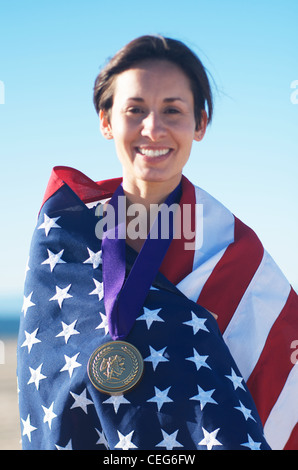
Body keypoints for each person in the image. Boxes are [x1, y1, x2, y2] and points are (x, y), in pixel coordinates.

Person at [17, 35, 297, 451]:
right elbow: (44, 393)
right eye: (135, 110)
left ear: (199, 124)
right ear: (106, 120)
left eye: (172, 109)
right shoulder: (63, 237)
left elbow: (279, 380)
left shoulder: (232, 252)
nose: (153, 127)